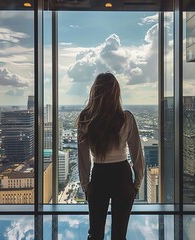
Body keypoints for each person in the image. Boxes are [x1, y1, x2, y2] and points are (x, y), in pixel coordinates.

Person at [77, 72, 145, 240]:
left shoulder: (86, 118)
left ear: (95, 91)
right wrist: (137, 183)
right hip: (122, 175)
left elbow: (83, 159)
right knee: (119, 235)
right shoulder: (126, 118)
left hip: (99, 175)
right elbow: (137, 152)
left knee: (95, 234)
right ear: (116, 92)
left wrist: (86, 186)